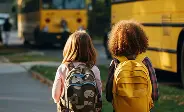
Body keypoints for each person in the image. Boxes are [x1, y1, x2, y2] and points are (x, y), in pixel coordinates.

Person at [105, 20, 159, 112]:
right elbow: (155, 95)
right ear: (141, 39)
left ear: (116, 41)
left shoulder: (116, 62)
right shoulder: (145, 61)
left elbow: (109, 96)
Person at [52, 30, 102, 112]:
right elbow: (98, 94)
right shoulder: (94, 69)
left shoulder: (63, 68)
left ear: (69, 48)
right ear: (90, 48)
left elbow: (55, 96)